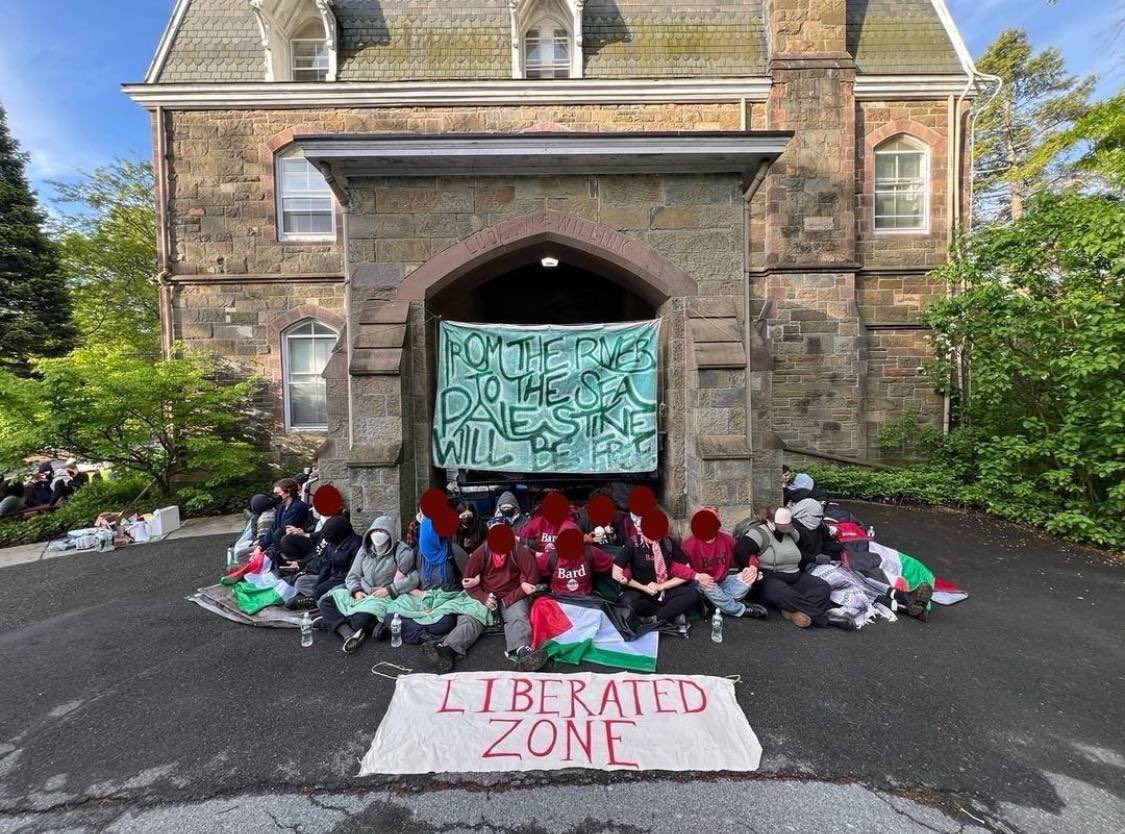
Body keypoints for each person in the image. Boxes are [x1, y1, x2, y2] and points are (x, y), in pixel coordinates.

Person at [422, 517, 543, 673]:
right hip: (486, 594)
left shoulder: (517, 550)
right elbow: (467, 580)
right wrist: (483, 597)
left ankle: (523, 652)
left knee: (518, 616)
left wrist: (514, 595)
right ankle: (447, 650)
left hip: (512, 594)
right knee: (471, 618)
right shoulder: (482, 552)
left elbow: (533, 576)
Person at [317, 515, 419, 653]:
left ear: (391, 534)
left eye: (383, 531)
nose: (378, 535)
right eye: (375, 531)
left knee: (361, 619)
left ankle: (334, 623)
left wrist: (389, 590)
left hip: (384, 597)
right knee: (326, 602)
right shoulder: (365, 549)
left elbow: (413, 579)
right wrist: (357, 591)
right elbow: (352, 576)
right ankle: (349, 633)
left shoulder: (401, 551)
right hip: (363, 593)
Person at [735, 507, 838, 629]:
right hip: (769, 578)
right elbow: (740, 551)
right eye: (781, 527)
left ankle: (791, 612)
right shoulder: (759, 533)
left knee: (822, 587)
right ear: (769, 521)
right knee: (783, 593)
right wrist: (751, 569)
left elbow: (798, 553)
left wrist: (815, 558)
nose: (784, 530)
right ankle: (825, 618)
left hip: (795, 575)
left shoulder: (791, 533)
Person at [676, 509, 768, 619]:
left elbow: (744, 552)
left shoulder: (726, 539)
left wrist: (752, 566)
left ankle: (714, 604)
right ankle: (740, 609)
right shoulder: (688, 545)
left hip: (723, 581)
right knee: (709, 585)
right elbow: (678, 567)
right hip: (701, 585)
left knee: (750, 576)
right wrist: (696, 576)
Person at [613, 518, 699, 629]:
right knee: (628, 602)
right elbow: (615, 572)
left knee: (693, 593)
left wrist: (660, 586)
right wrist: (644, 588)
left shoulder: (668, 543)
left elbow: (687, 571)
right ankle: (670, 614)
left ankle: (655, 619)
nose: (653, 540)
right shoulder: (633, 543)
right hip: (640, 592)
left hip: (662, 592)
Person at [280, 514, 361, 609]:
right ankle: (315, 598)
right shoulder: (333, 544)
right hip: (331, 577)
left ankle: (314, 601)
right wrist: (319, 584)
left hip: (345, 581)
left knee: (333, 592)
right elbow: (326, 566)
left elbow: (350, 574)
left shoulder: (356, 546)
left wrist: (324, 586)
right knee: (301, 582)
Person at [536, 528, 615, 597]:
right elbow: (534, 569)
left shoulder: (590, 552)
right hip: (558, 602)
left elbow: (615, 564)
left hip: (585, 600)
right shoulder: (551, 557)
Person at [258, 478, 308, 551]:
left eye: (277, 493)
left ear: (288, 492)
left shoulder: (298, 506)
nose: (275, 497)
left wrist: (266, 550)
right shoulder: (281, 507)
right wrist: (261, 546)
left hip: (290, 545)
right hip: (277, 544)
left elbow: (283, 531)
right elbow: (273, 528)